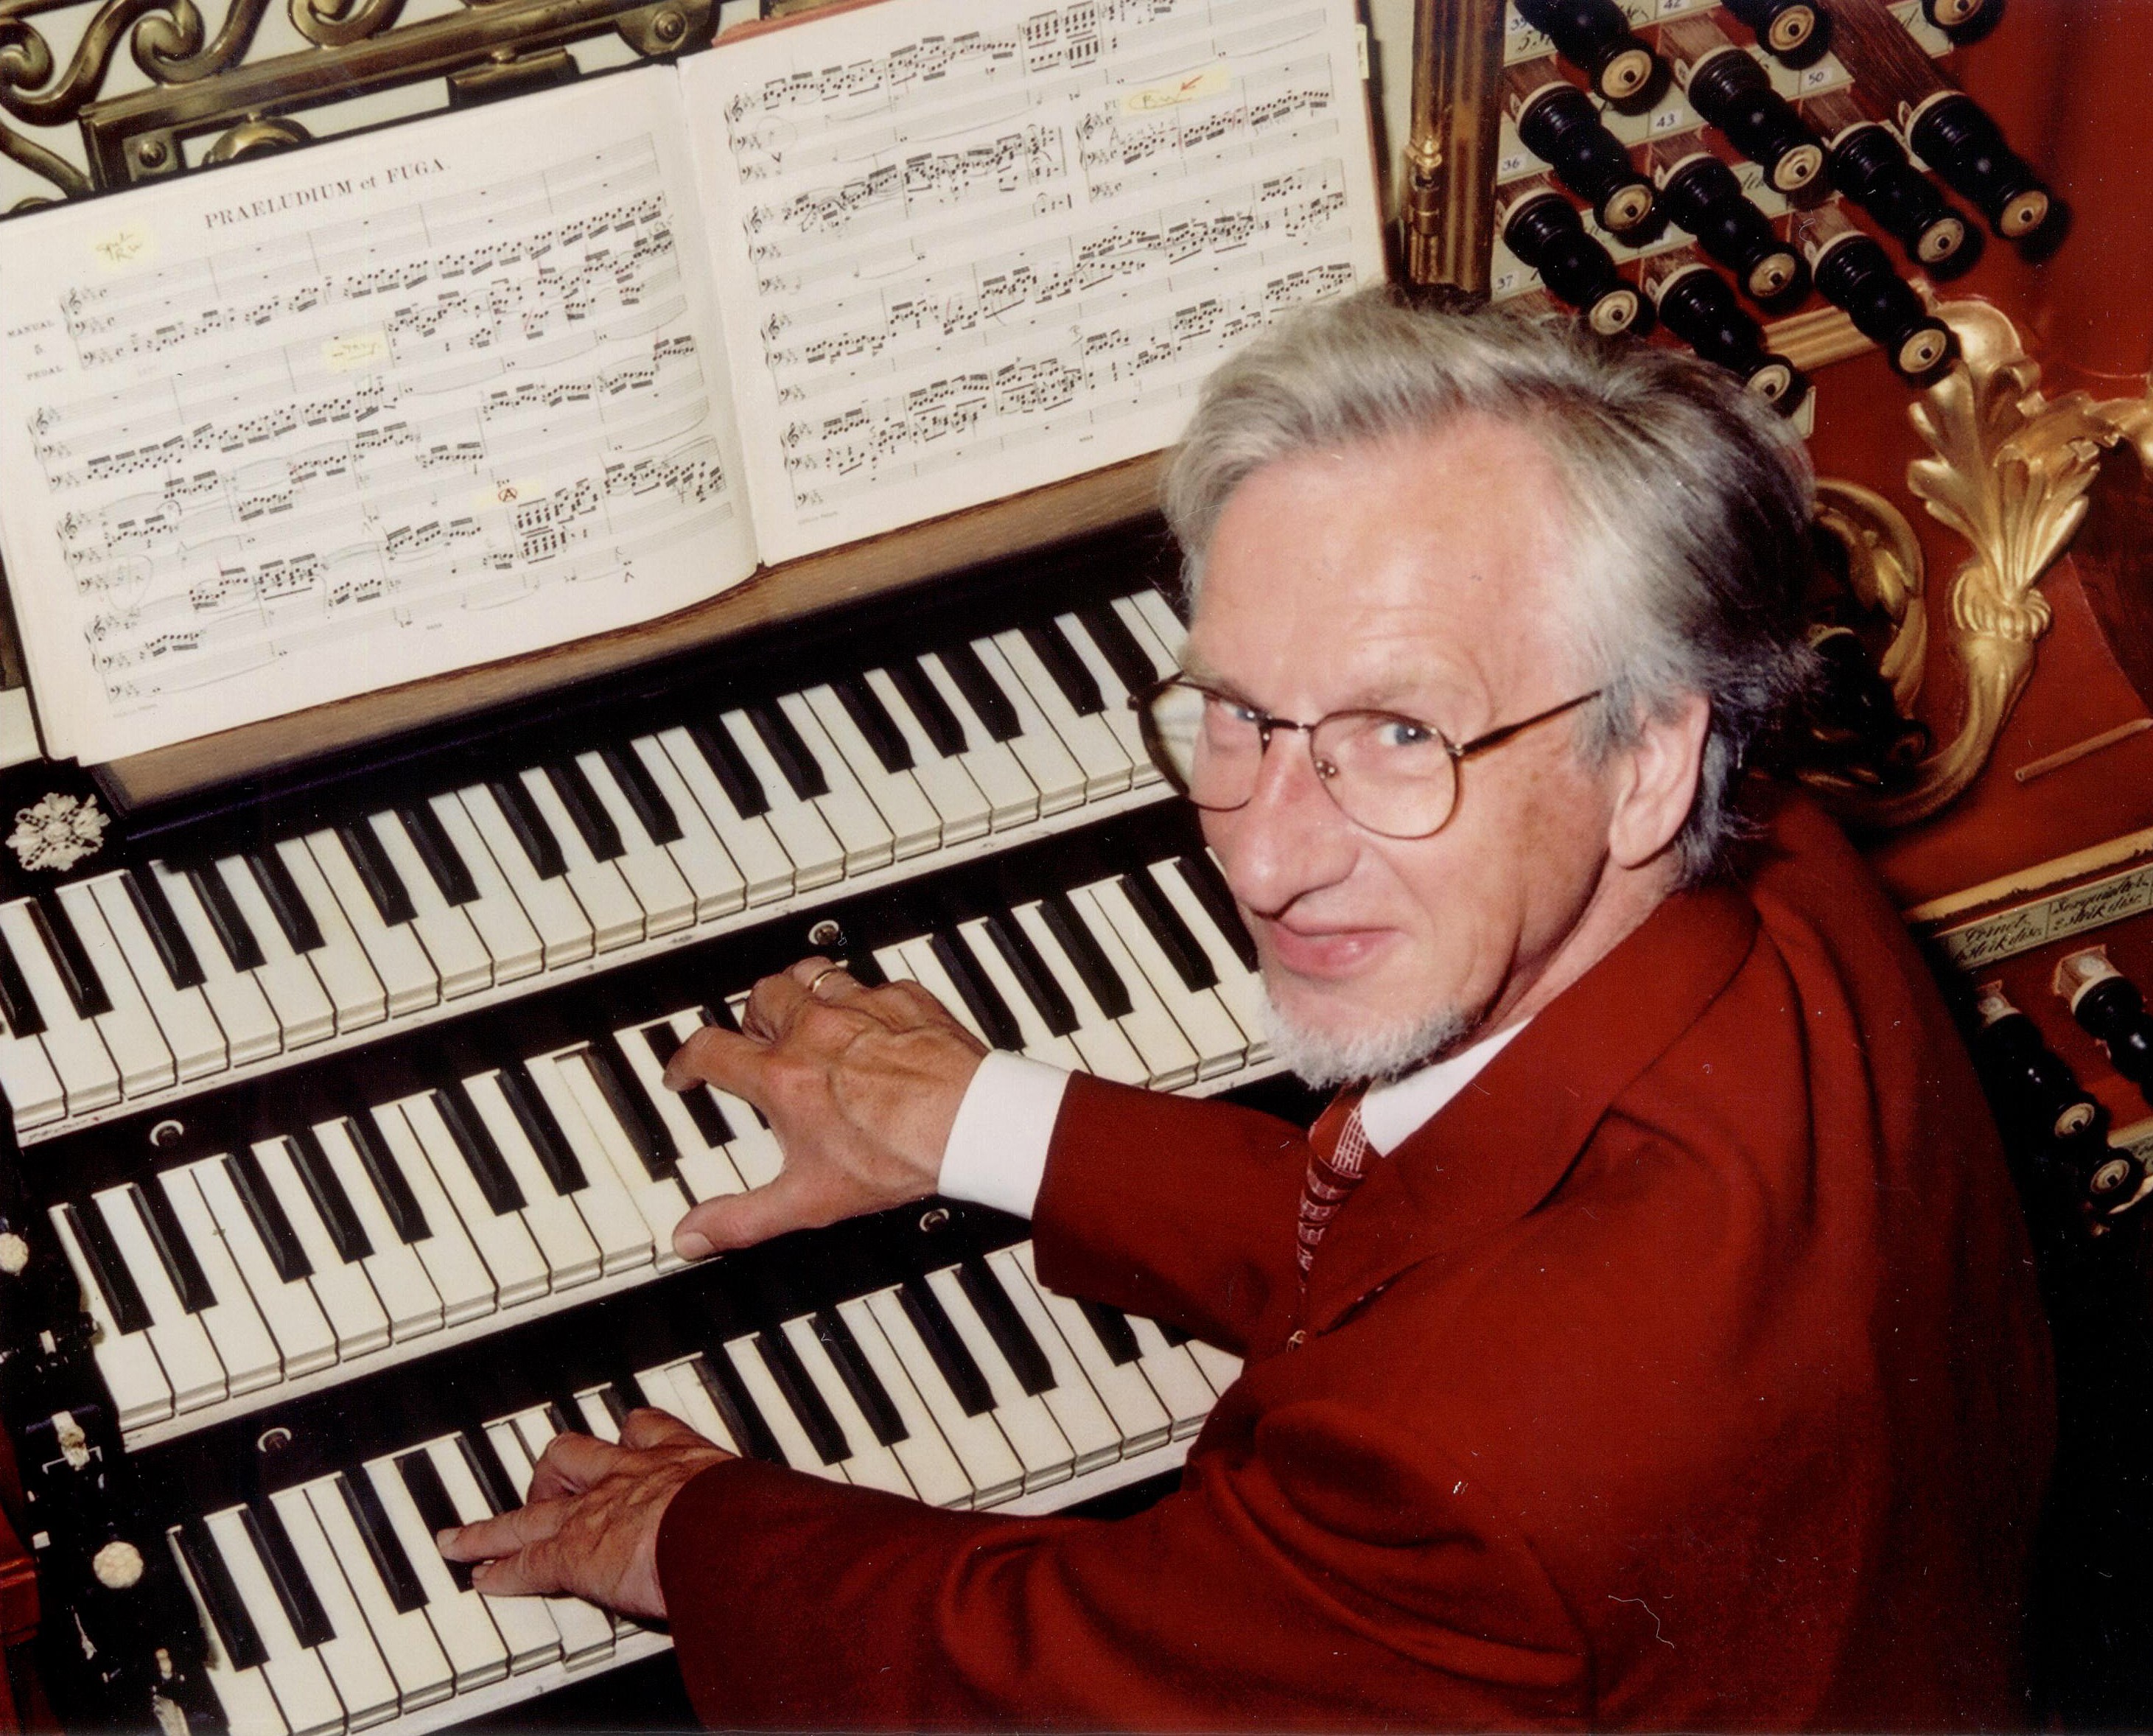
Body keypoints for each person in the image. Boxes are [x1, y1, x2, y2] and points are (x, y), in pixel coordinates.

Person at [439, 289, 2056, 1727]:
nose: (1267, 859)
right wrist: (982, 1121)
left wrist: (697, 1531)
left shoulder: (1459, 1475)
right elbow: (1466, 1213)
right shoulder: (1776, 867)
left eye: (1402, 733)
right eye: (1234, 712)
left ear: (1645, 760)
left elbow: (1056, 1674)